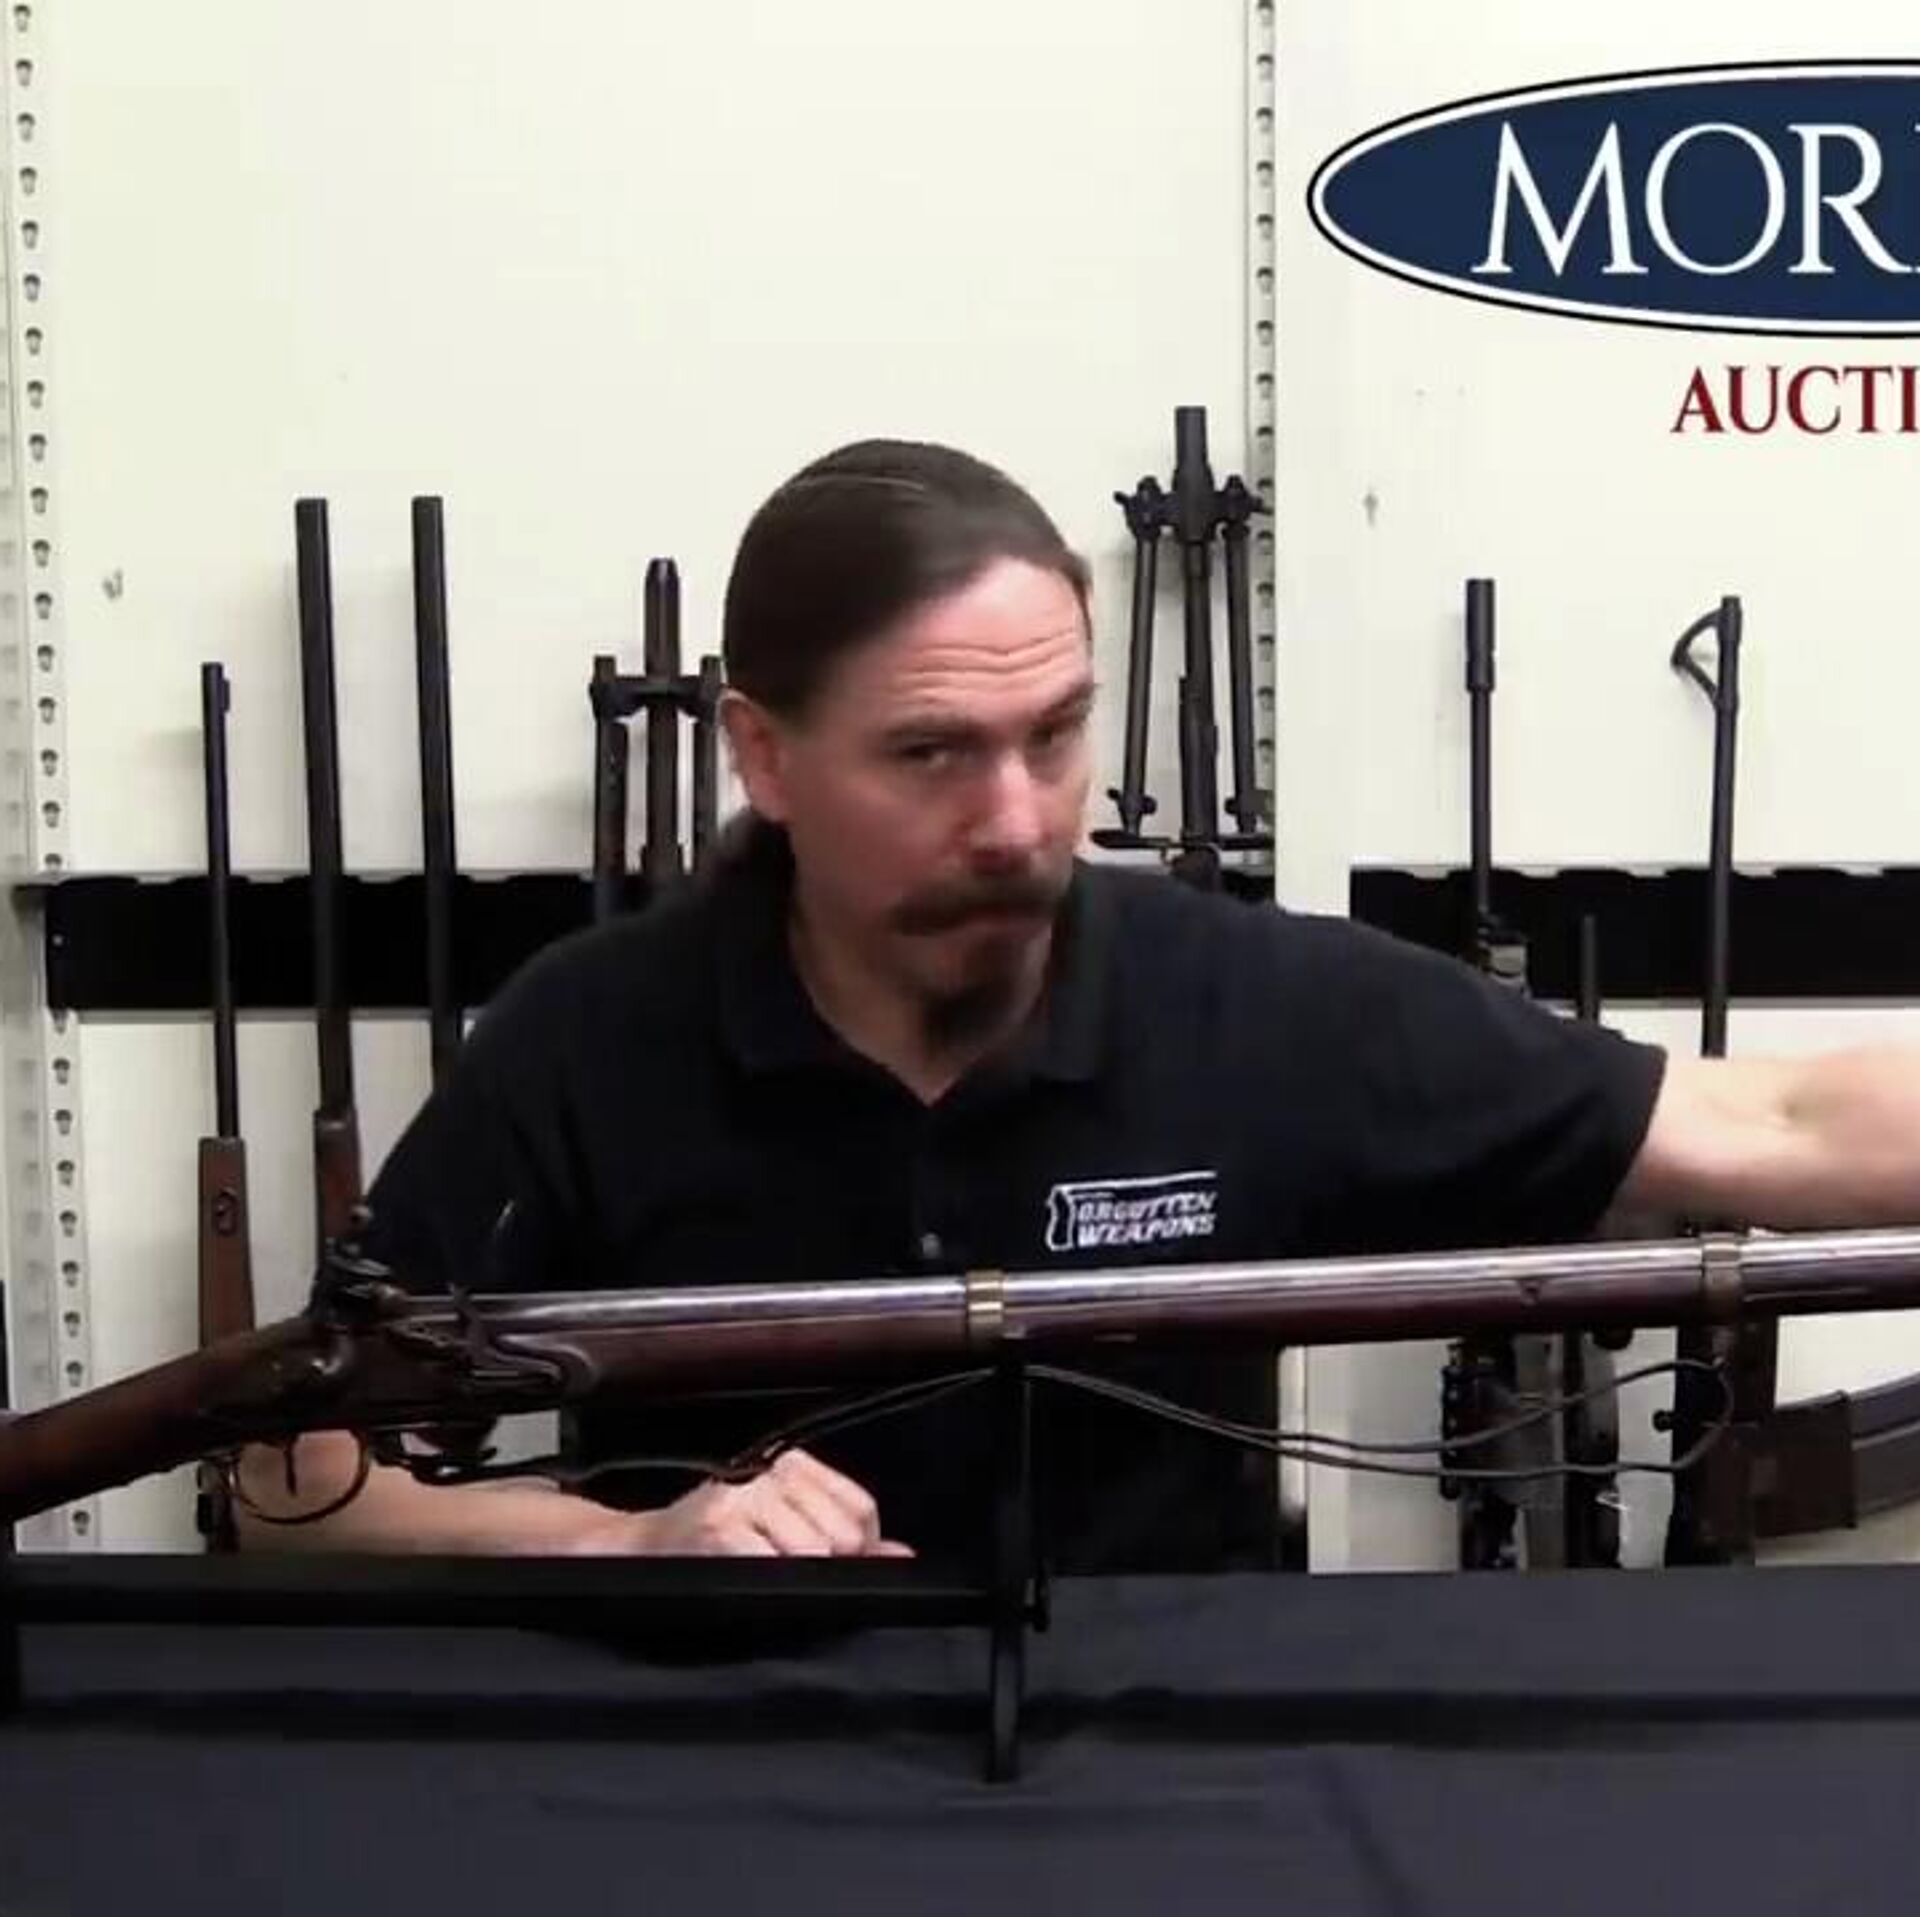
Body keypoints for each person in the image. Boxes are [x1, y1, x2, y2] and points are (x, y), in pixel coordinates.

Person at [236, 437, 1920, 1568]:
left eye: (1053, 734)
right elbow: (292, 1479)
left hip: (1179, 1772)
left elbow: (1768, 1122)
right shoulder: (590, 1038)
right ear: (763, 752)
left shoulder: (1246, 1000)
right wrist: (637, 1538)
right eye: (931, 753)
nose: (1019, 819)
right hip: (721, 1773)